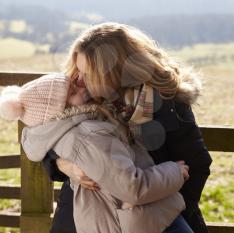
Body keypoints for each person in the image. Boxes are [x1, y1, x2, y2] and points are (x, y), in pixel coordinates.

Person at [43, 22, 212, 233]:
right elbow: (45, 139)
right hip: (83, 218)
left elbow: (197, 165)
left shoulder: (166, 103)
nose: (80, 80)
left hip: (152, 222)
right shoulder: (80, 100)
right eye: (79, 70)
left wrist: (158, 211)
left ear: (113, 71)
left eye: (89, 73)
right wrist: (64, 165)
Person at [0, 73, 193, 233]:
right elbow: (133, 186)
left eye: (74, 84)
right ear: (60, 110)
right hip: (134, 219)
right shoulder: (88, 136)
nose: (83, 87)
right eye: (73, 91)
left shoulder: (64, 130)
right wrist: (175, 171)